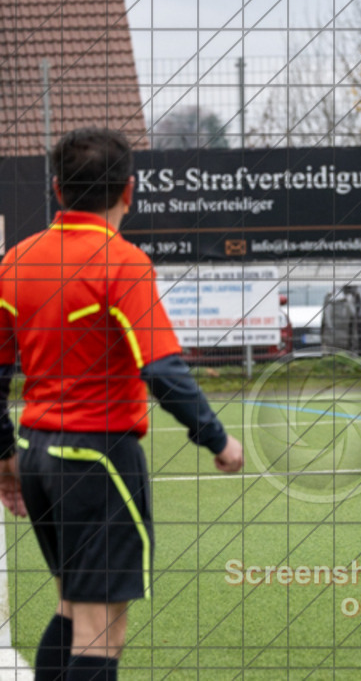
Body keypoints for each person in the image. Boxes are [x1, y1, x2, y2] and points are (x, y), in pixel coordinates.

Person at [0, 127, 244, 680]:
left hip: (37, 456)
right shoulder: (123, 261)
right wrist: (217, 438)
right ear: (129, 191)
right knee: (100, 631)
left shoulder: (16, 260)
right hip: (99, 459)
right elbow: (161, 369)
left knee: (71, 609)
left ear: (58, 191)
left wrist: (4, 458)